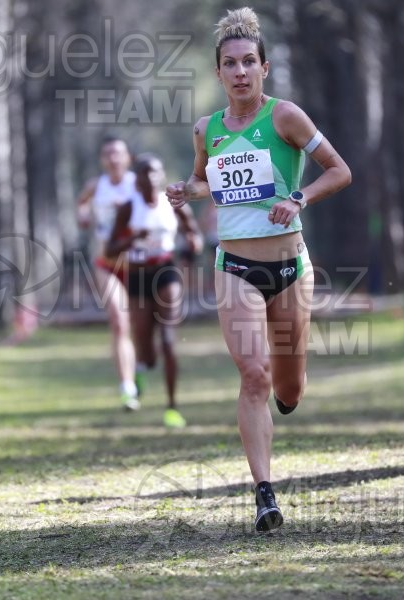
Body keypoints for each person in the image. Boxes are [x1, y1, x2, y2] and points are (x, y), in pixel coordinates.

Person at [166, 7, 352, 531]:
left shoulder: (286, 117)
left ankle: (288, 400)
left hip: (291, 266)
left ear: (264, 69)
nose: (241, 71)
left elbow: (340, 171)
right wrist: (187, 190)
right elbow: (207, 183)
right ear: (218, 73)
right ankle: (264, 493)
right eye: (231, 64)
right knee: (254, 376)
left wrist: (298, 199)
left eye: (250, 61)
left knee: (289, 389)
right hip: (236, 266)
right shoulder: (207, 129)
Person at [107, 154, 203, 428]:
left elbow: (192, 232)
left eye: (156, 172)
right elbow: (110, 249)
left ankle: (172, 407)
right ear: (136, 179)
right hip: (137, 277)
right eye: (145, 173)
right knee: (146, 352)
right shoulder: (128, 208)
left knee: (169, 341)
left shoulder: (172, 205)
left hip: (165, 272)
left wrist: (193, 244)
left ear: (162, 177)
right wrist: (132, 239)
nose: (151, 177)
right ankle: (140, 368)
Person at [76, 136, 140, 410]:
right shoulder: (96, 185)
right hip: (107, 264)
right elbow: (81, 202)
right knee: (118, 321)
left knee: (143, 329)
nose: (113, 159)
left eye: (118, 154)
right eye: (108, 154)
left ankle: (142, 369)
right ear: (102, 159)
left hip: (139, 265)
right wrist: (83, 216)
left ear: (128, 158)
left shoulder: (138, 184)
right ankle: (127, 386)